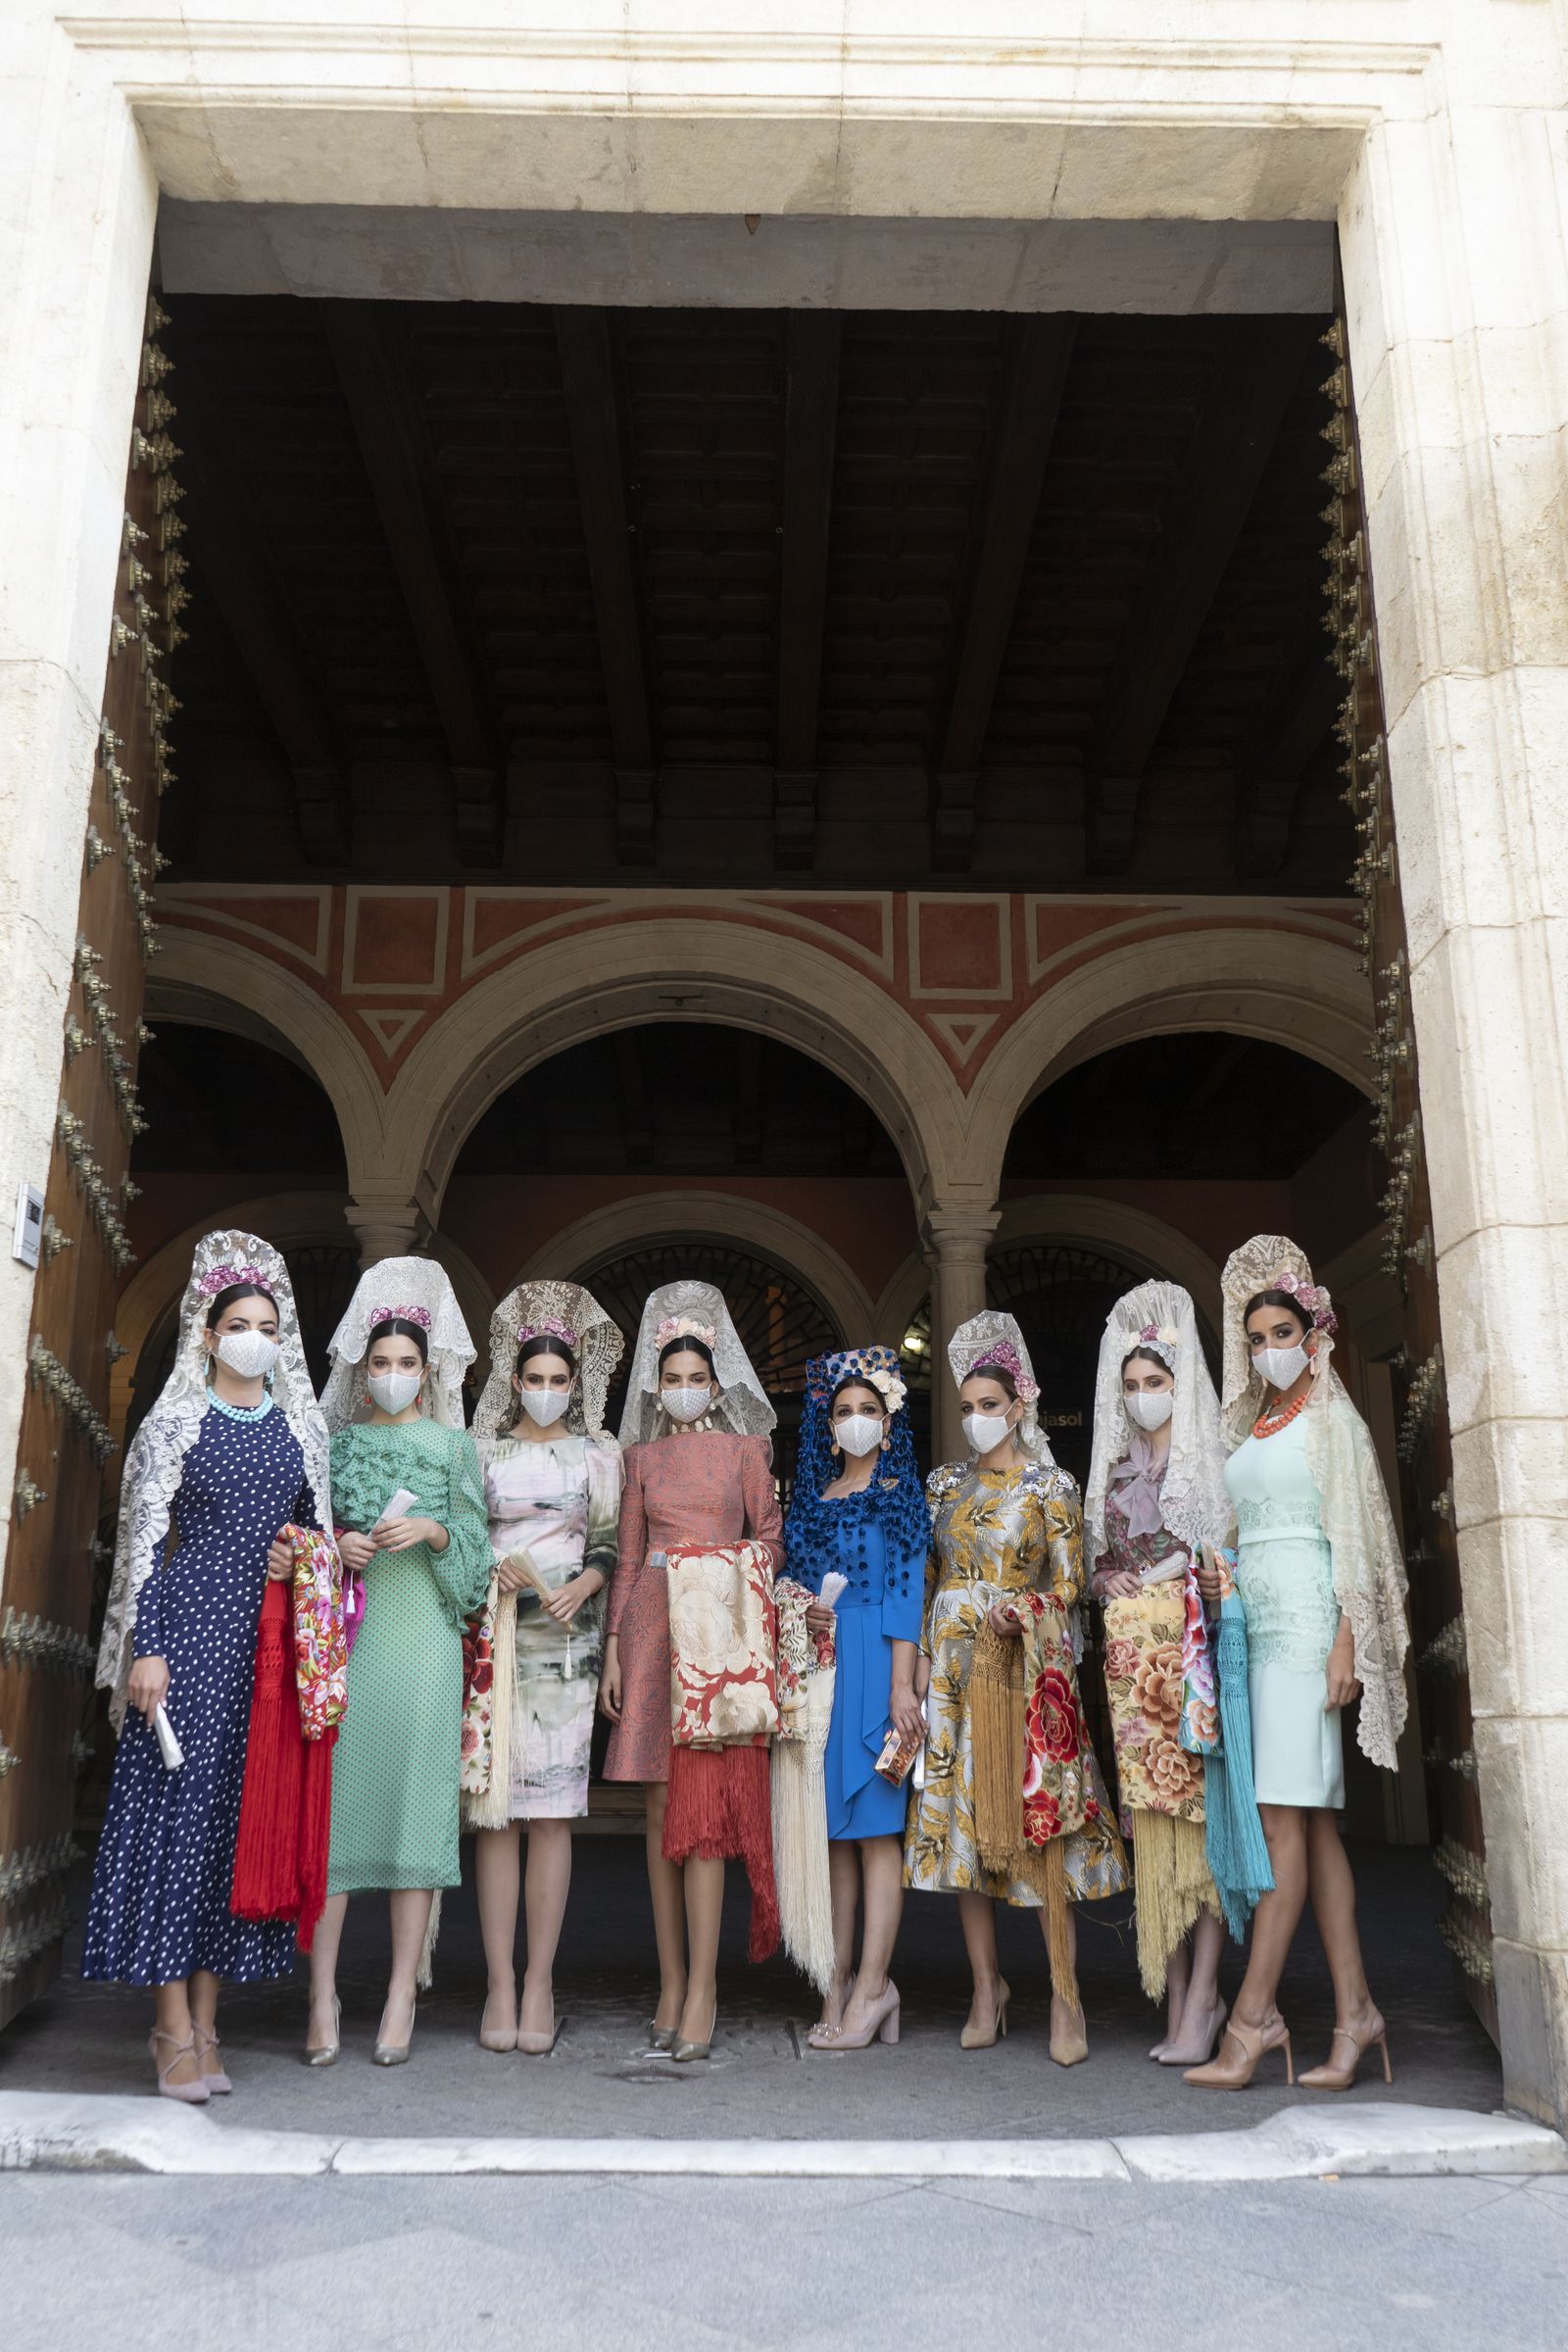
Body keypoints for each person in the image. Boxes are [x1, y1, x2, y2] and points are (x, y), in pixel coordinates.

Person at [85, 1231, 335, 2099]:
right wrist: (145, 1647)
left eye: (267, 1326)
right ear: (208, 1333)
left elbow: (319, 1537)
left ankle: (208, 2021)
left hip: (261, 1651)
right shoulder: (175, 1423)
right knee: (175, 1824)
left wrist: (299, 1551)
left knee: (233, 1827)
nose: (253, 1339)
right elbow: (145, 1548)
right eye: (239, 1325)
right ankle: (168, 2026)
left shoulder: (300, 1429)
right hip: (185, 1641)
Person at [1187, 1235, 1410, 2091]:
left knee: (1283, 1823)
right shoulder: (1253, 1422)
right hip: (1256, 1631)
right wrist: (1223, 1574)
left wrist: (1348, 1641)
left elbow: (1358, 1540)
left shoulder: (1334, 1422)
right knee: (1312, 1830)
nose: (1268, 1350)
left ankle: (1251, 2021)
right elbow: (1243, 1527)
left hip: (1311, 1632)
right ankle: (1356, 2014)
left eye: (1281, 1333)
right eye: (1255, 1339)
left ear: (1313, 1334)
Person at [905, 1311, 1127, 2065]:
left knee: (1039, 1829)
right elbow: (929, 1579)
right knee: (969, 1835)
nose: (976, 1418)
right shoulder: (942, 1485)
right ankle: (985, 1988)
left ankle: (1066, 1995)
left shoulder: (1050, 1485)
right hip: (954, 1676)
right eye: (967, 1407)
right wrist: (924, 1664)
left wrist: (1023, 1609)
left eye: (989, 1405)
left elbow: (1071, 1584)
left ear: (1019, 1405)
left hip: (1023, 1674)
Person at [304, 1258, 493, 2067]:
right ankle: (321, 1996)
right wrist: (337, 1547)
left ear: (427, 1368)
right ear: (362, 1367)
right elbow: (305, 1536)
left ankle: (398, 1996)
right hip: (352, 1644)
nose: (391, 1374)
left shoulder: (453, 1448)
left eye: (405, 1362)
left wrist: (436, 1532)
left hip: (423, 1641)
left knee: (417, 1813)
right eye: (379, 1362)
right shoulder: (336, 1446)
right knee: (335, 1817)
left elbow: (478, 1562)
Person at [600, 1279, 783, 2062]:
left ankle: (704, 1988)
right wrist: (614, 1647)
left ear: (716, 1383)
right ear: (656, 1386)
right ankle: (670, 1982)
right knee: (657, 1810)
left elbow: (771, 1539)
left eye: (696, 1378)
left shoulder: (746, 1451)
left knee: (702, 1817)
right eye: (671, 1379)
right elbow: (628, 1557)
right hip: (649, 1628)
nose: (683, 1389)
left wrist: (720, 1568)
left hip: (718, 1630)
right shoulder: (638, 1458)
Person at [465, 1282, 624, 2055]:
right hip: (496, 1637)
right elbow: (466, 1539)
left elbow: (609, 1543)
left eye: (560, 1379)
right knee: (495, 1814)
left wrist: (586, 1585)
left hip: (567, 1644)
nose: (548, 1390)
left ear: (576, 1382)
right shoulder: (481, 1453)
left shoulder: (599, 1454)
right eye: (536, 1378)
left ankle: (540, 1981)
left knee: (553, 1813)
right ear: (514, 1378)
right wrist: (489, 1572)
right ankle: (499, 1982)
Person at [1084, 1280, 1231, 2065]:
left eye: (1155, 1382)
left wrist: (1190, 1575)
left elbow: (1226, 1558)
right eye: (1133, 1384)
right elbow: (1098, 1564)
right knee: (1150, 1825)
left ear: (1180, 1384)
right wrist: (1107, 1579)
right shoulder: (1112, 1473)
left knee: (1198, 1826)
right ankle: (1173, 1991)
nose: (1143, 1395)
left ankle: (1204, 1994)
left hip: (1191, 1661)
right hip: (1130, 1670)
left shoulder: (1207, 1465)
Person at [785, 1347, 926, 2052]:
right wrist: (805, 1609)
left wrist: (902, 1685)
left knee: (876, 1832)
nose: (856, 1420)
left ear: (889, 1421)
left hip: (878, 1664)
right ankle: (835, 1982)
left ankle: (874, 1986)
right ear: (828, 1424)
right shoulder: (813, 1499)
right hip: (825, 1669)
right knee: (834, 1836)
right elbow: (794, 1583)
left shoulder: (900, 1492)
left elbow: (906, 1593)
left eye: (869, 1409)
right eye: (844, 1411)